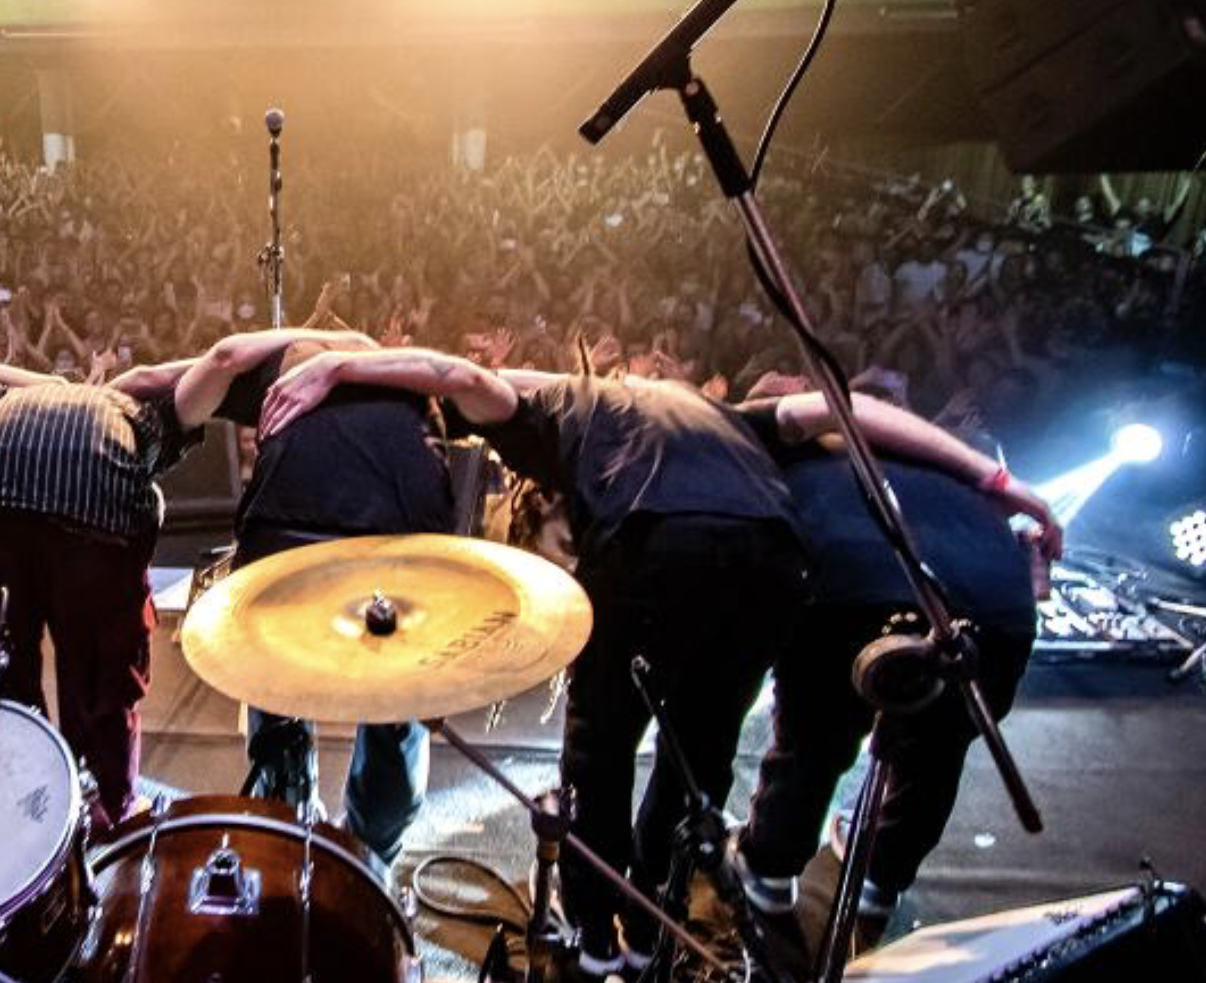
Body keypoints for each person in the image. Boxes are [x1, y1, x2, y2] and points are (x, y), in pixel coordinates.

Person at [262, 347, 810, 978]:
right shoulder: (729, 414)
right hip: (778, 558)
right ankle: (649, 928)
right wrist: (958, 460)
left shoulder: (567, 402)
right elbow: (852, 413)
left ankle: (595, 938)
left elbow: (463, 376)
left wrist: (337, 366)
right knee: (699, 756)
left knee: (598, 752)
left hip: (656, 539)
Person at [0, 328, 331, 832]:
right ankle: (109, 811)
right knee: (102, 676)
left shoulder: (10, 399)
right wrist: (313, 333)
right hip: (93, 512)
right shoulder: (146, 413)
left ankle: (6, 810)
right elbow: (224, 356)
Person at [730, 386, 1058, 945]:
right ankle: (881, 882)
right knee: (937, 754)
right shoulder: (950, 450)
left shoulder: (779, 446)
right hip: (996, 604)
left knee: (815, 740)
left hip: (853, 584)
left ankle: (768, 873)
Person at [210, 329, 444, 869]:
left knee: (275, 683)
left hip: (283, 537)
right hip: (397, 535)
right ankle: (372, 858)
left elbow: (213, 359)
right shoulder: (415, 378)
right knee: (397, 706)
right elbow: (480, 381)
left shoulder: (281, 370)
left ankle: (287, 822)